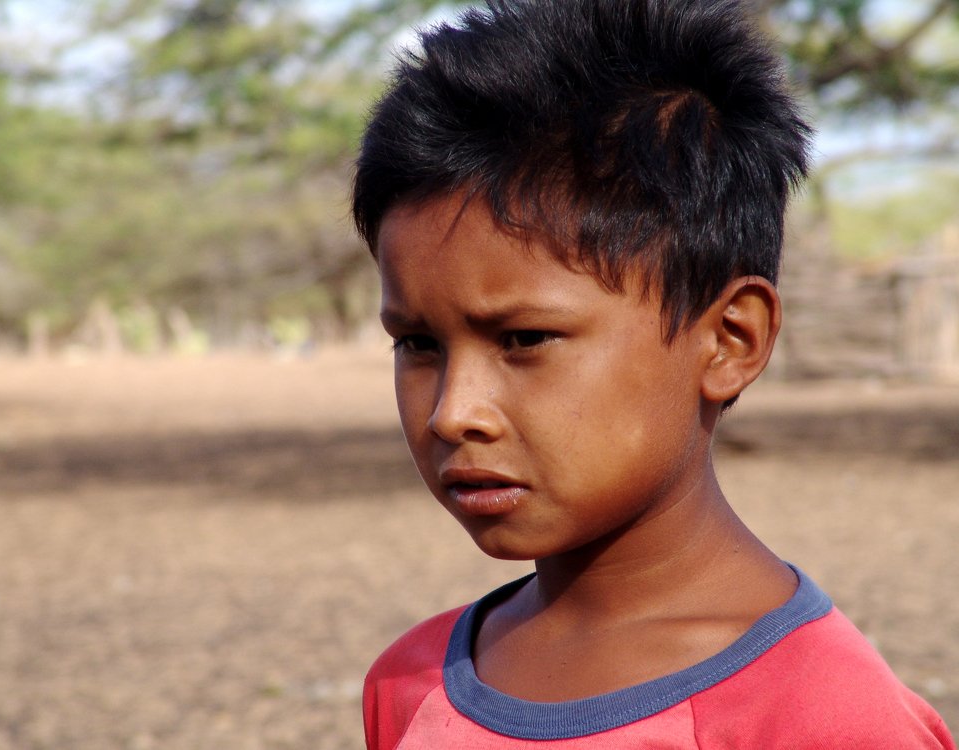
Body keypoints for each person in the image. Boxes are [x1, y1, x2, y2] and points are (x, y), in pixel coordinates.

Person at [351, 0, 956, 746]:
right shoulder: (409, 684)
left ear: (731, 340)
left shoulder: (822, 715)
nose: (454, 413)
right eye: (417, 344)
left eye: (525, 338)